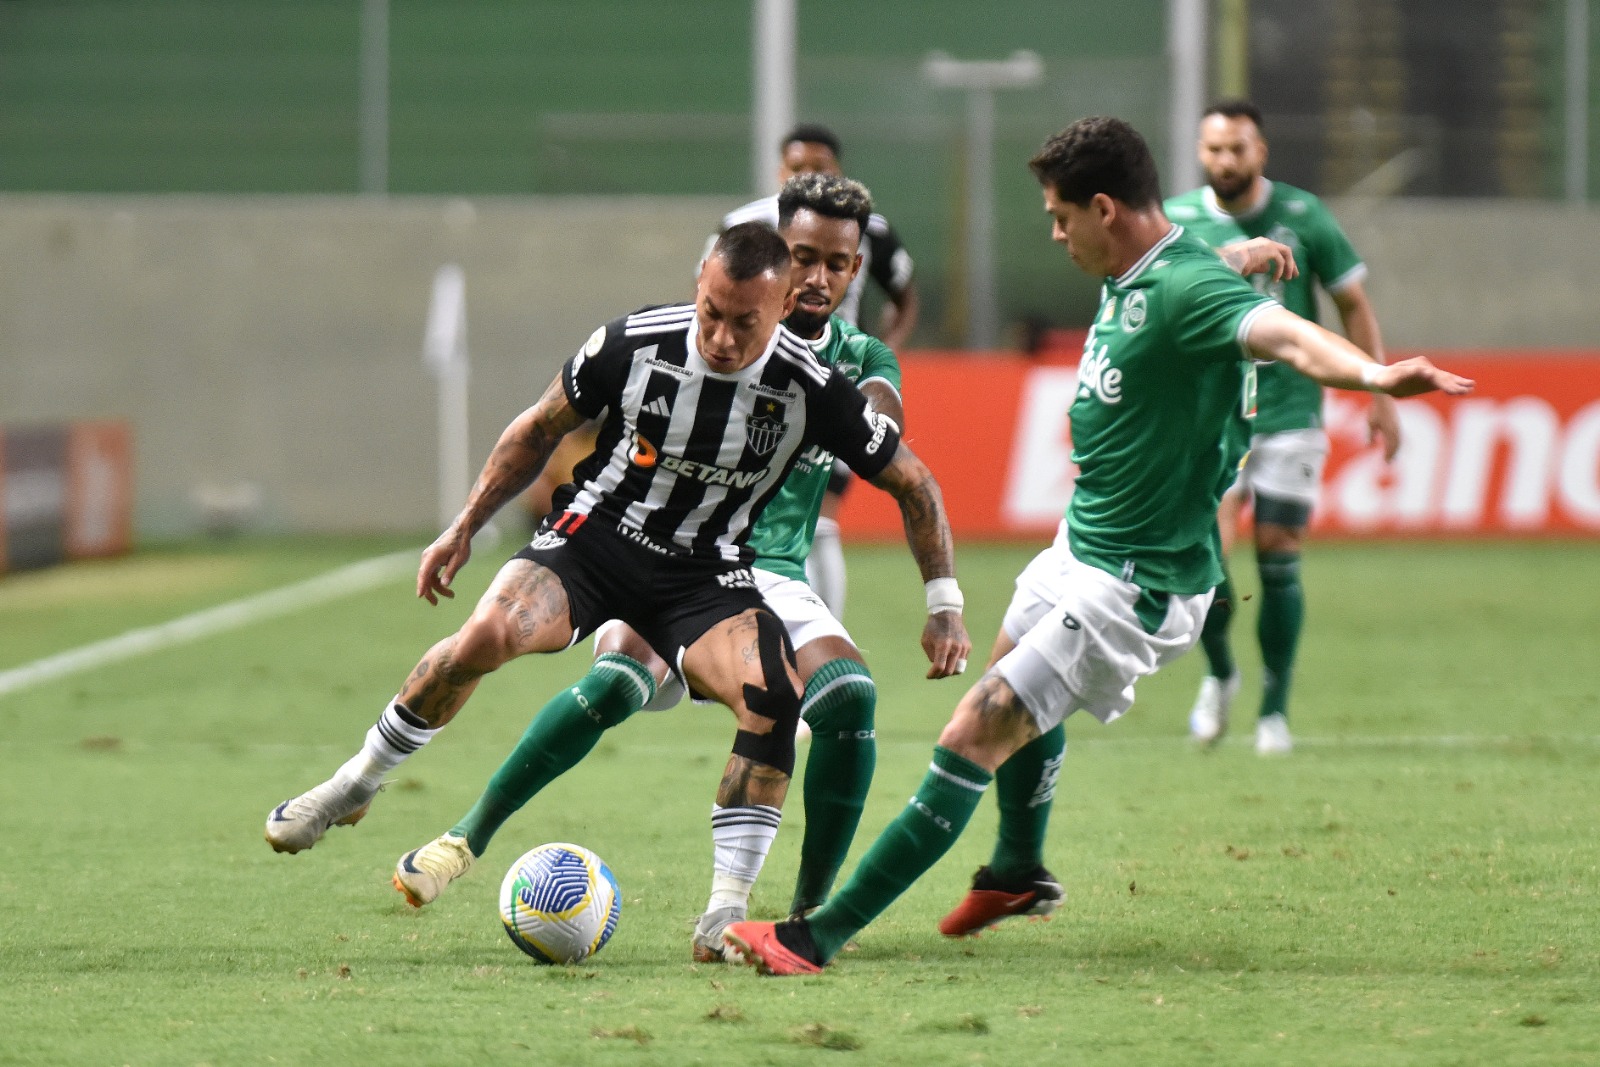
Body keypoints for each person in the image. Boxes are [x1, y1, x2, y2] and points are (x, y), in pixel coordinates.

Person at [720, 116, 1473, 976]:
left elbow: (1285, 335)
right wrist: (1234, 261)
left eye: (1059, 216)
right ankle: (1016, 869)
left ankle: (813, 936)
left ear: (1105, 209)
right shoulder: (1146, 265)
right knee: (1011, 675)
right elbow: (1188, 285)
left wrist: (1375, 377)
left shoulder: (1191, 290)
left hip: (1137, 582)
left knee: (978, 727)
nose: (1053, 232)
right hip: (1079, 546)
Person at [264, 223, 971, 900]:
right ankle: (354, 783)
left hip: (708, 569)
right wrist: (463, 526)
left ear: (782, 308)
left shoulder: (813, 386)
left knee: (774, 700)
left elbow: (913, 479)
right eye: (711, 313)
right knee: (485, 636)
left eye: (744, 324)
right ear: (700, 282)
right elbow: (537, 429)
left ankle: (727, 909)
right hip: (595, 539)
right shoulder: (632, 342)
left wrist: (944, 603)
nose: (722, 338)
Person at [1165, 99, 1402, 755]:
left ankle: (1274, 709)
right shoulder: (1178, 221)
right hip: (1212, 417)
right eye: (1214, 149)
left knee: (1278, 554)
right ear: (1200, 151)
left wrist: (1378, 392)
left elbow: (1351, 300)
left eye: (1238, 148)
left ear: (1260, 152)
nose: (1226, 161)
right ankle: (1220, 673)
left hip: (1291, 409)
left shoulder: (1302, 215)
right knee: (1208, 560)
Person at [715, 123, 921, 620]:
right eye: (797, 166)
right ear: (779, 171)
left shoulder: (870, 229)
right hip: (755, 380)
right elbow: (712, 295)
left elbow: (905, 296)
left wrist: (878, 352)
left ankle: (819, 635)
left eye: (819, 166)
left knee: (821, 513)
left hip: (834, 382)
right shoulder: (745, 225)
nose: (807, 174)